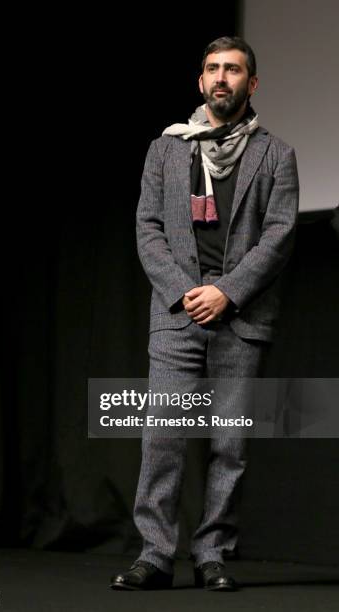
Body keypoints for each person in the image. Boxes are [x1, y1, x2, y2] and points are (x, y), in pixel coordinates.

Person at [110, 36, 299, 592]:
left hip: (240, 317)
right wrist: (185, 291)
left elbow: (280, 233)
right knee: (163, 436)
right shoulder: (165, 149)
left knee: (229, 445)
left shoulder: (277, 154)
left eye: (234, 70)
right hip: (177, 314)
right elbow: (147, 229)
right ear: (200, 81)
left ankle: (213, 552)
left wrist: (227, 292)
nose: (222, 78)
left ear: (251, 83)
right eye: (213, 69)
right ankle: (155, 555)